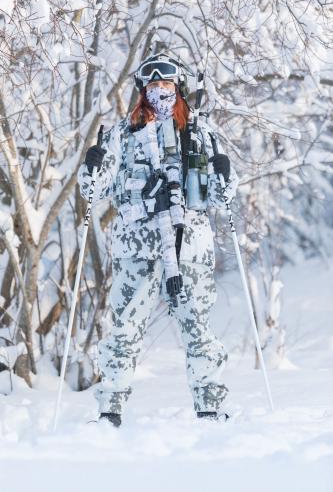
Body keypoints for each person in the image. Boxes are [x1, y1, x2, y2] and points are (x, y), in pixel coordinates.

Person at [77, 52, 239, 427]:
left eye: (166, 87)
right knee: (123, 330)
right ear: (142, 91)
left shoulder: (198, 133)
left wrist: (224, 173)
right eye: (152, 88)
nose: (159, 94)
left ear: (178, 88)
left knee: (198, 328)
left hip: (189, 252)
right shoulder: (123, 133)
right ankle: (109, 411)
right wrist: (94, 164)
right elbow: (93, 190)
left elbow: (220, 196)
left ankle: (210, 409)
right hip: (138, 250)